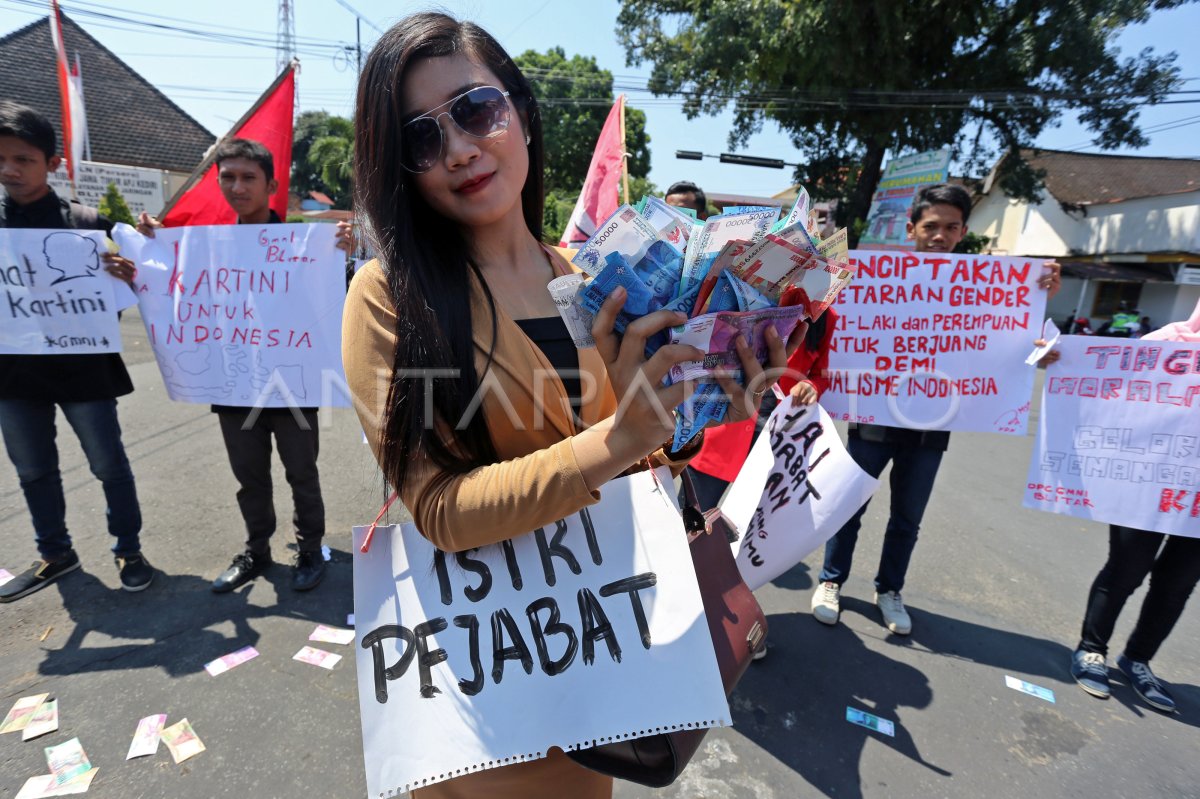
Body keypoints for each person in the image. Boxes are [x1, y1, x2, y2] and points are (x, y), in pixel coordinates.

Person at [340, 14, 804, 798]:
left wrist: (714, 402)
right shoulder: (389, 297)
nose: (458, 148)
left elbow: (642, 454)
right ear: (404, 169)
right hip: (493, 690)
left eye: (476, 110)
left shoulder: (595, 273)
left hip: (605, 666)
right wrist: (620, 438)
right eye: (422, 138)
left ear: (520, 110)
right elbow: (441, 508)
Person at [810, 183, 1062, 635]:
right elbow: (829, 314)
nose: (940, 236)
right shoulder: (875, 276)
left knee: (908, 518)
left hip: (931, 428)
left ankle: (889, 591)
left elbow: (1015, 341)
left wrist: (1042, 303)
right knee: (848, 506)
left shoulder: (986, 287)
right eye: (931, 227)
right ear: (912, 229)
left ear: (963, 231)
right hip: (873, 420)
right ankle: (832, 581)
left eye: (951, 227)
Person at [137, 139, 352, 593]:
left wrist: (344, 251)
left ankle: (310, 549)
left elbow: (331, 296)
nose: (237, 186)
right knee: (249, 478)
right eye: (228, 177)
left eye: (248, 177)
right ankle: (257, 550)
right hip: (233, 384)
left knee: (301, 473)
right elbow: (165, 287)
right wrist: (148, 249)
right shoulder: (200, 248)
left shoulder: (305, 244)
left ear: (271, 185)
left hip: (292, 383)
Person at [0, 101, 153, 601]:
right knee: (32, 470)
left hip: (83, 372)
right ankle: (55, 553)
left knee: (108, 464)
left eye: (23, 159)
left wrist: (123, 277)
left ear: (52, 163)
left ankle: (128, 549)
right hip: (13, 378)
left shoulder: (88, 225)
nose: (9, 169)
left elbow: (118, 296)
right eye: (1, 158)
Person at [1068, 299, 1200, 714]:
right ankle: (1092, 650)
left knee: (1178, 582)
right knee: (1126, 569)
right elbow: (1112, 394)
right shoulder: (1165, 343)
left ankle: (1138, 660)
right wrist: (1061, 358)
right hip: (1148, 483)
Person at [681, 307, 838, 512]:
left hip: (776, 439)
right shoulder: (762, 298)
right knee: (689, 516)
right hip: (725, 427)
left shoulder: (828, 317)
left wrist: (812, 386)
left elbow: (821, 374)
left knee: (743, 528)